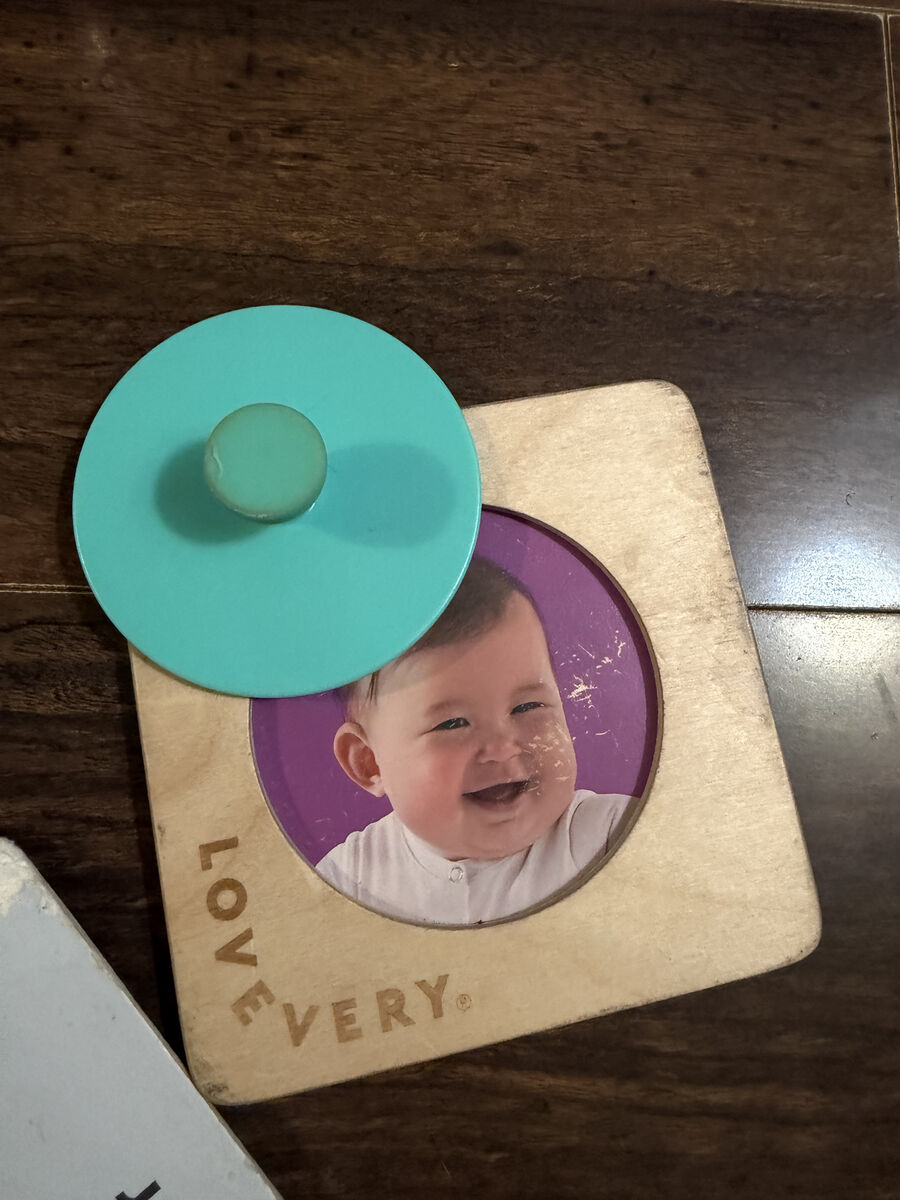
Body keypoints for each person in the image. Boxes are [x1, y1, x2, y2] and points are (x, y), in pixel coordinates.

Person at [317, 556, 634, 925]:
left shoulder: (609, 834)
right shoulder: (348, 880)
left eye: (527, 706)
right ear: (369, 762)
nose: (502, 747)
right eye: (452, 724)